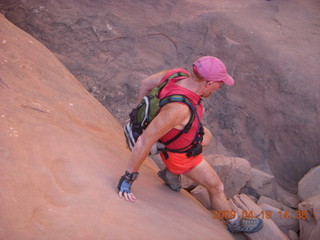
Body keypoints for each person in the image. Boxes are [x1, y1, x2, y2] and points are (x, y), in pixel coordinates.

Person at [117, 56, 263, 233]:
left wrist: (141, 115)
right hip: (180, 155)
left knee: (206, 136)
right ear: (209, 83)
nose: (219, 88)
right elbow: (143, 142)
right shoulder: (179, 109)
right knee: (216, 187)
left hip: (179, 132)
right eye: (220, 84)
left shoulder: (177, 75)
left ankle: (170, 176)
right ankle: (233, 221)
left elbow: (145, 83)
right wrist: (128, 179)